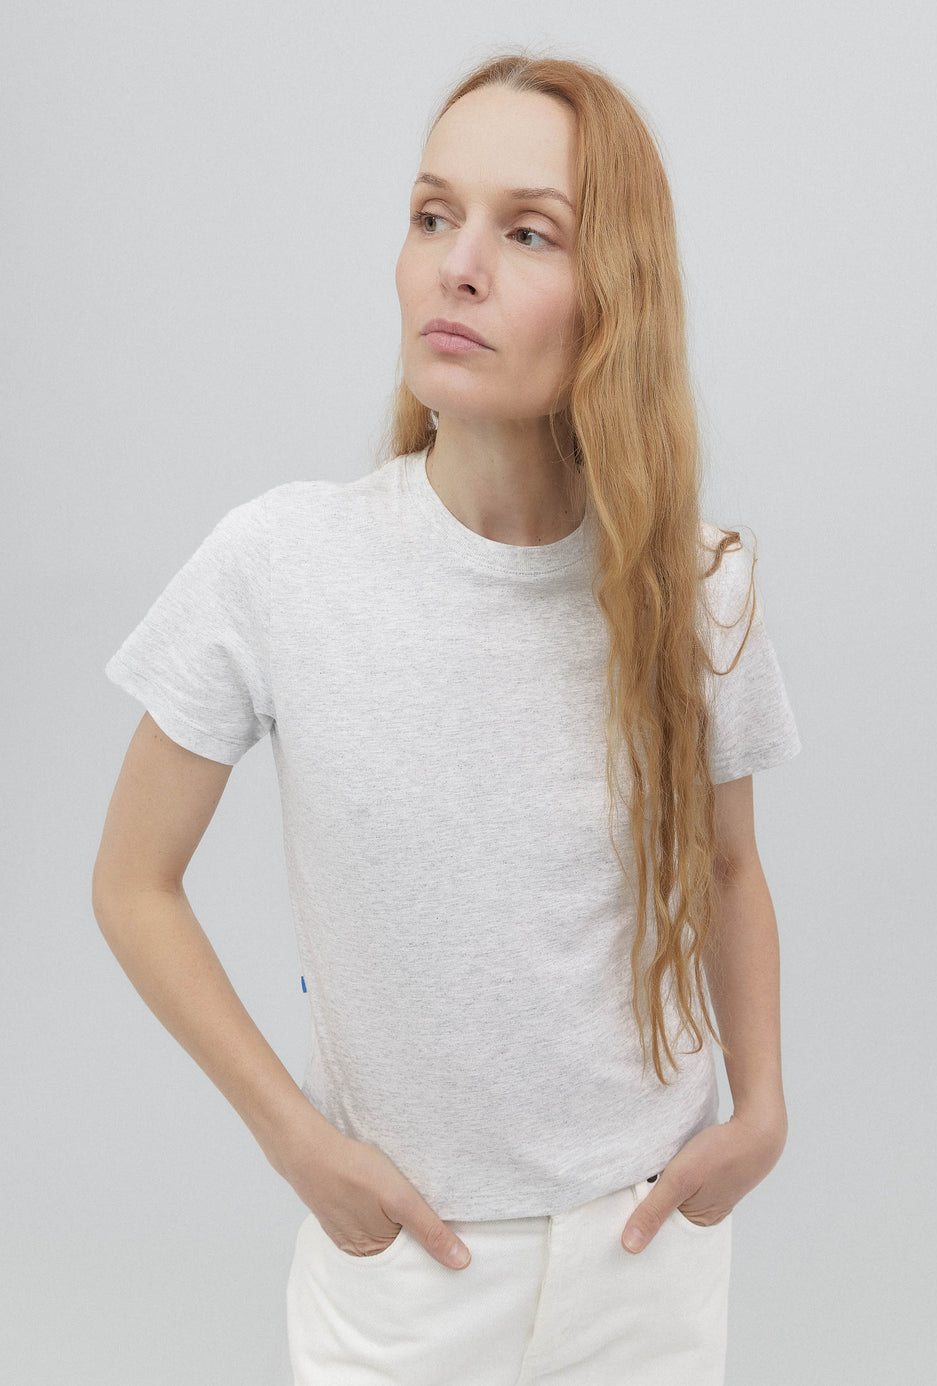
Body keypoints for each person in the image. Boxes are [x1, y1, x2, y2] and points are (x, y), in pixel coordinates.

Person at [93, 48, 801, 1386]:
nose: (456, 265)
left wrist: (759, 1109)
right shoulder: (280, 564)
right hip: (413, 1273)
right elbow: (132, 882)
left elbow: (723, 865)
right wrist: (295, 1139)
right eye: (433, 215)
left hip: (648, 1252)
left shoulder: (693, 586)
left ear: (615, 298)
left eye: (524, 231)